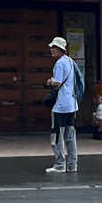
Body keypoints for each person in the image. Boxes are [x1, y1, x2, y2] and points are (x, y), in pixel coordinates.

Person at [44, 35, 78, 175]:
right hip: (71, 104)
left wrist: (49, 82)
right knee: (70, 135)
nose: (51, 50)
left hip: (60, 105)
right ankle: (72, 165)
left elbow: (57, 83)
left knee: (57, 135)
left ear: (60, 49)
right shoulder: (70, 61)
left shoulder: (59, 63)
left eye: (54, 48)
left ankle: (59, 165)